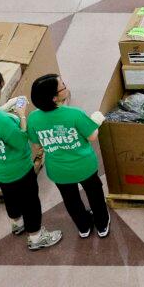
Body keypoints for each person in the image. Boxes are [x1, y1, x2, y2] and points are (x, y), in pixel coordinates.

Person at [0, 70, 62, 252]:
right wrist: (22, 115)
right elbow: (21, 140)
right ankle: (36, 236)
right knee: (31, 201)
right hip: (18, 169)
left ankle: (16, 223)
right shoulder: (3, 122)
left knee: (9, 195)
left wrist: (4, 108)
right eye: (0, 91)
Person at [27, 74, 110, 240]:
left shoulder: (34, 118)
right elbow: (92, 136)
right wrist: (97, 120)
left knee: (71, 200)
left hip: (59, 170)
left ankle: (84, 227)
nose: (66, 86)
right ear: (54, 97)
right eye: (62, 86)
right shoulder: (74, 114)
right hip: (84, 166)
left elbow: (37, 145)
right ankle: (102, 225)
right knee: (95, 195)